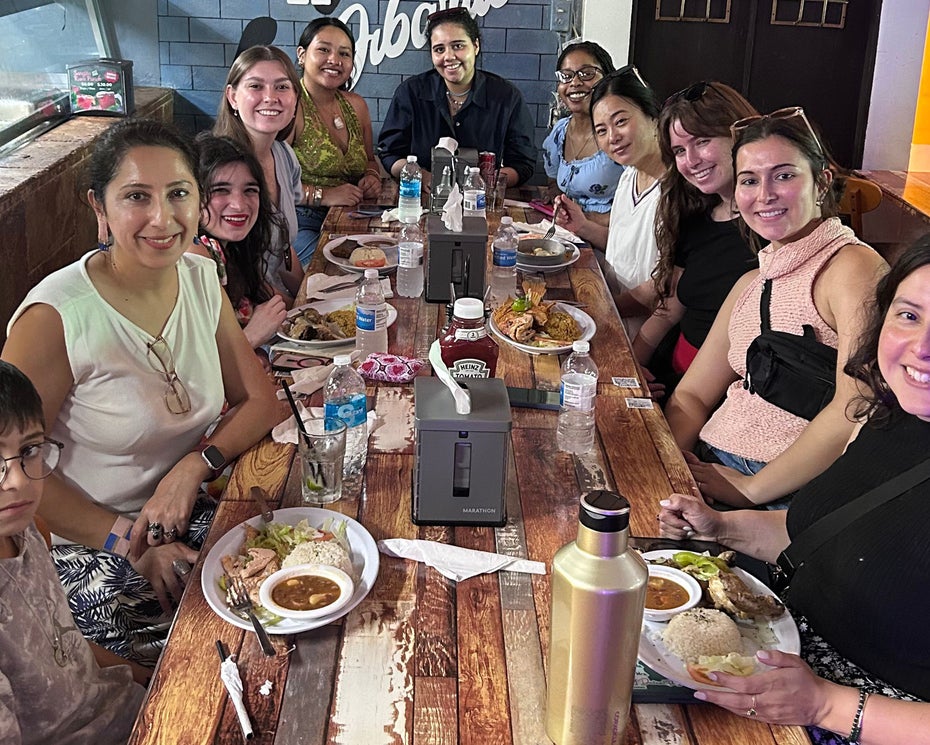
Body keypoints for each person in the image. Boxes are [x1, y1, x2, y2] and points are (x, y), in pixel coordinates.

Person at [1, 118, 279, 666]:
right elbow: (13, 472)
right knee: (220, 653)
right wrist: (127, 540)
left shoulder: (199, 278)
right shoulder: (57, 317)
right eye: (136, 197)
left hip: (181, 512)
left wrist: (193, 466)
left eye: (178, 193)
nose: (162, 217)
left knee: (288, 572)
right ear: (98, 208)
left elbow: (262, 399)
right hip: (86, 541)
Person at [658, 237, 930, 744]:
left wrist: (827, 703)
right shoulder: (892, 417)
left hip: (849, 719)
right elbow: (813, 532)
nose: (922, 348)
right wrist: (721, 526)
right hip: (771, 663)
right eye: (909, 316)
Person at [664, 108, 887, 508]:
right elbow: (692, 396)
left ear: (821, 182)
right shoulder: (752, 284)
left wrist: (751, 489)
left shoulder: (852, 267)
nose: (764, 194)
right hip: (710, 467)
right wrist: (667, 465)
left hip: (778, 495)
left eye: (784, 175)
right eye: (749, 180)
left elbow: (856, 406)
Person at [0, 360, 147, 744]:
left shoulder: (30, 531)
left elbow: (66, 643)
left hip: (119, 708)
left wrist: (152, 677)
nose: (17, 479)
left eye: (29, 450)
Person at [633, 81, 759, 398]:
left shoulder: (773, 227)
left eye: (702, 141)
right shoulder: (697, 217)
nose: (691, 160)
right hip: (671, 376)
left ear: (739, 134)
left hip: (723, 397)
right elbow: (668, 310)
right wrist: (629, 365)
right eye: (678, 150)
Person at [377, 6, 536, 190]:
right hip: (420, 201)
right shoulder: (411, 92)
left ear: (475, 46)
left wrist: (487, 183)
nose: (449, 56)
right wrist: (422, 176)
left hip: (480, 205)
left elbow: (523, 163)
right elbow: (389, 153)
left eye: (458, 46)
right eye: (439, 49)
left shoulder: (506, 97)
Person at [553, 66, 665, 326]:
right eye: (601, 130)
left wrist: (597, 310)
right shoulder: (629, 176)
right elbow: (623, 247)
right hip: (612, 311)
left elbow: (661, 287)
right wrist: (582, 227)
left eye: (621, 121)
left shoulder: (675, 190)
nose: (613, 137)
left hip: (642, 328)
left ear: (652, 115)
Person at [214, 45, 304, 302]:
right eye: (255, 86)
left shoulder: (285, 155)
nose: (270, 97)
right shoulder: (219, 169)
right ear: (232, 97)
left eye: (282, 87)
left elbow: (284, 250)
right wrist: (294, 312)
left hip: (277, 304)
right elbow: (238, 269)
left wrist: (308, 301)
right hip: (240, 314)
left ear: (295, 98)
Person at [290, 17, 382, 266]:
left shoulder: (356, 105)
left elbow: (370, 160)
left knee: (380, 265)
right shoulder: (290, 105)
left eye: (344, 53)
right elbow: (272, 184)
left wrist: (371, 177)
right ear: (301, 54)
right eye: (323, 49)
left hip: (351, 215)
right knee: (330, 273)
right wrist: (325, 195)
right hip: (299, 221)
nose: (334, 60)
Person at [193, 133, 289, 357]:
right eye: (220, 190)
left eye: (249, 190)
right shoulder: (196, 256)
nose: (238, 204)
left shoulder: (232, 250)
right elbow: (191, 370)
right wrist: (252, 338)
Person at [541, 40, 623, 227]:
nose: (575, 83)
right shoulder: (560, 132)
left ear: (608, 78)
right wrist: (557, 201)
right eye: (566, 76)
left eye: (587, 74)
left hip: (611, 239)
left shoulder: (619, 134)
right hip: (571, 234)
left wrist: (587, 218)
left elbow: (642, 209)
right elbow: (554, 183)